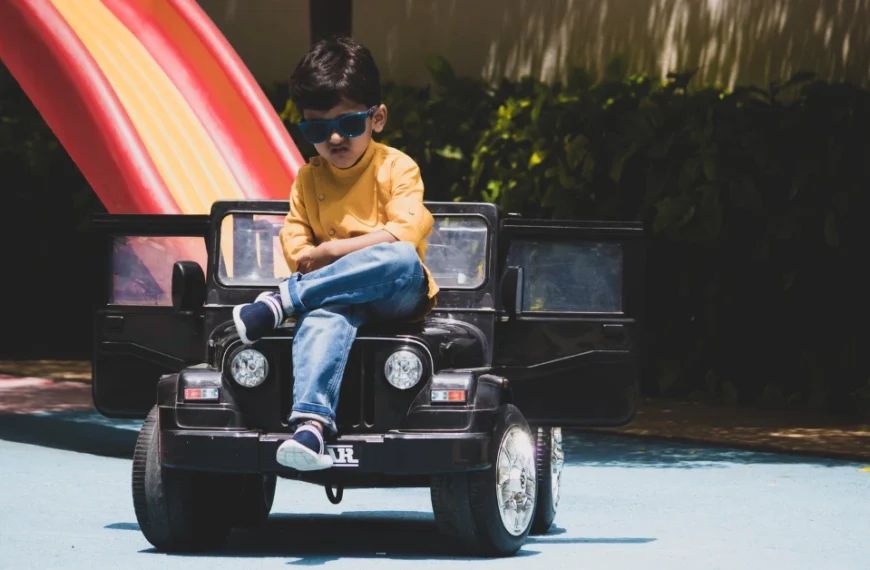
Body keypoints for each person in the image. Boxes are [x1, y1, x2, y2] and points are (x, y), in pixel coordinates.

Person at [231, 36, 438, 472]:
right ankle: (310, 425)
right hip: (339, 295)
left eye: (348, 123)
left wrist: (334, 250)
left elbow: (405, 231)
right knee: (324, 317)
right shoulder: (308, 179)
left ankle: (284, 300)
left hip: (397, 296)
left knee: (400, 257)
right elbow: (296, 245)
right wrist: (319, 257)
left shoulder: (397, 167)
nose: (335, 137)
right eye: (317, 129)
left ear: (377, 118)